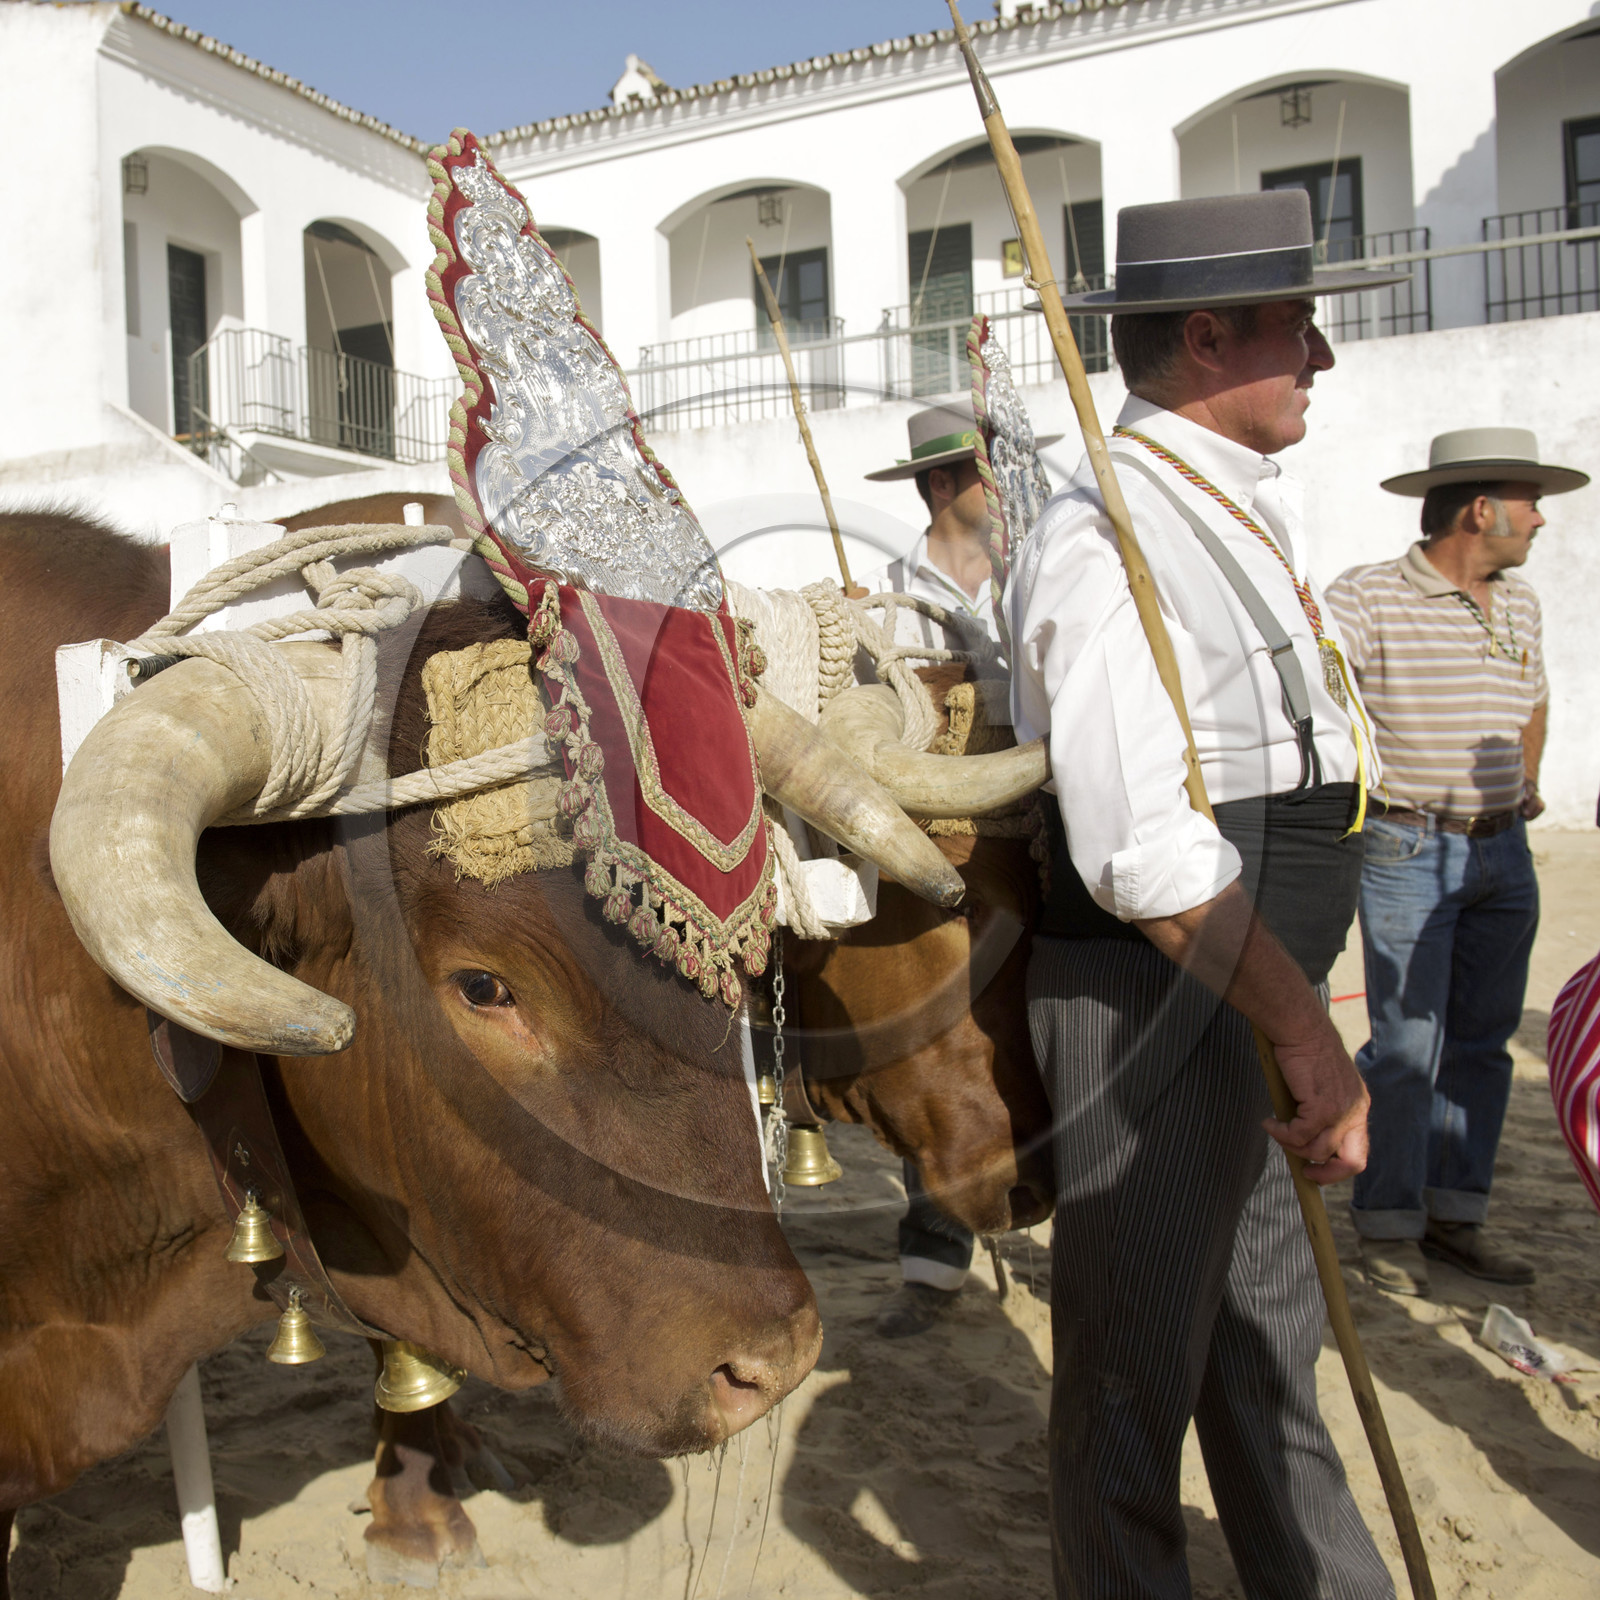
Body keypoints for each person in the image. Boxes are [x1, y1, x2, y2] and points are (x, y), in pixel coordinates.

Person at [1011, 189, 1405, 1597]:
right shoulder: (1104, 530)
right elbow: (1147, 857)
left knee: (1269, 1347)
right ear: (1205, 339)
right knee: (1132, 1381)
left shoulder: (1226, 505)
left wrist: (1292, 1026)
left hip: (1253, 995)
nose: (1324, 355)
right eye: (1300, 325)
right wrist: (1305, 1033)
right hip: (1162, 999)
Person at [1325, 428, 1587, 1296]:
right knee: (1408, 1042)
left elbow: (1534, 699)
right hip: (1406, 846)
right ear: (1481, 510)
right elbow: (1326, 713)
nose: (1540, 520)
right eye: (1530, 503)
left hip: (1504, 849)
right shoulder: (1364, 597)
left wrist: (1528, 781)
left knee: (1483, 1041)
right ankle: (1389, 1224)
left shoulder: (1521, 603)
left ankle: (1455, 1216)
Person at [860, 398, 1058, 1339]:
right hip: (940, 854)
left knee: (1052, 1032)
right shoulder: (877, 601)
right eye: (988, 471)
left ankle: (1062, 1216)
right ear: (943, 485)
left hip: (1044, 840)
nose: (1009, 488)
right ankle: (933, 1259)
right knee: (941, 1043)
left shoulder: (1042, 574)